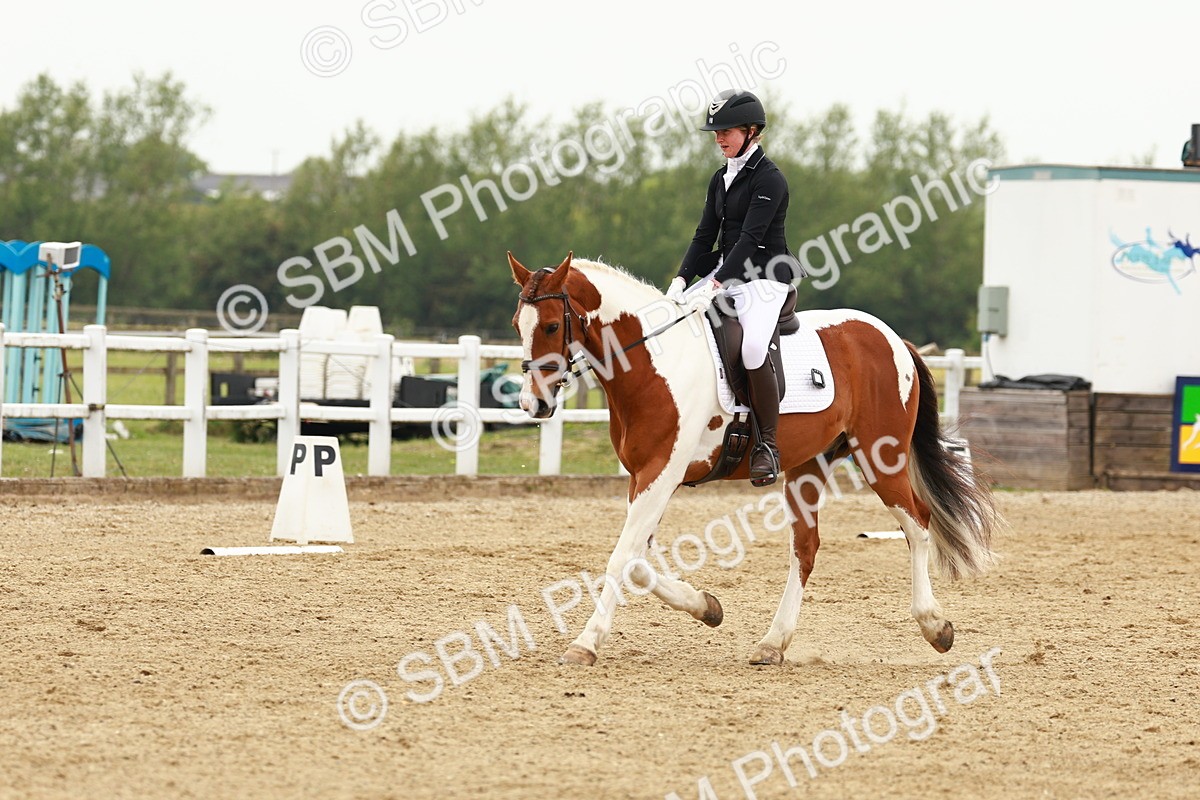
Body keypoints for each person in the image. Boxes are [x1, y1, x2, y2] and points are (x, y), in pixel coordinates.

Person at [666, 89, 802, 487]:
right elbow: (704, 233)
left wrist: (717, 282)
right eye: (716, 132)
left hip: (764, 277)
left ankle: (768, 445)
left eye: (726, 131)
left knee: (754, 347)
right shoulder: (719, 177)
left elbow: (750, 239)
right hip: (724, 276)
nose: (719, 138)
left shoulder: (770, 179)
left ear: (752, 130)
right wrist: (680, 280)